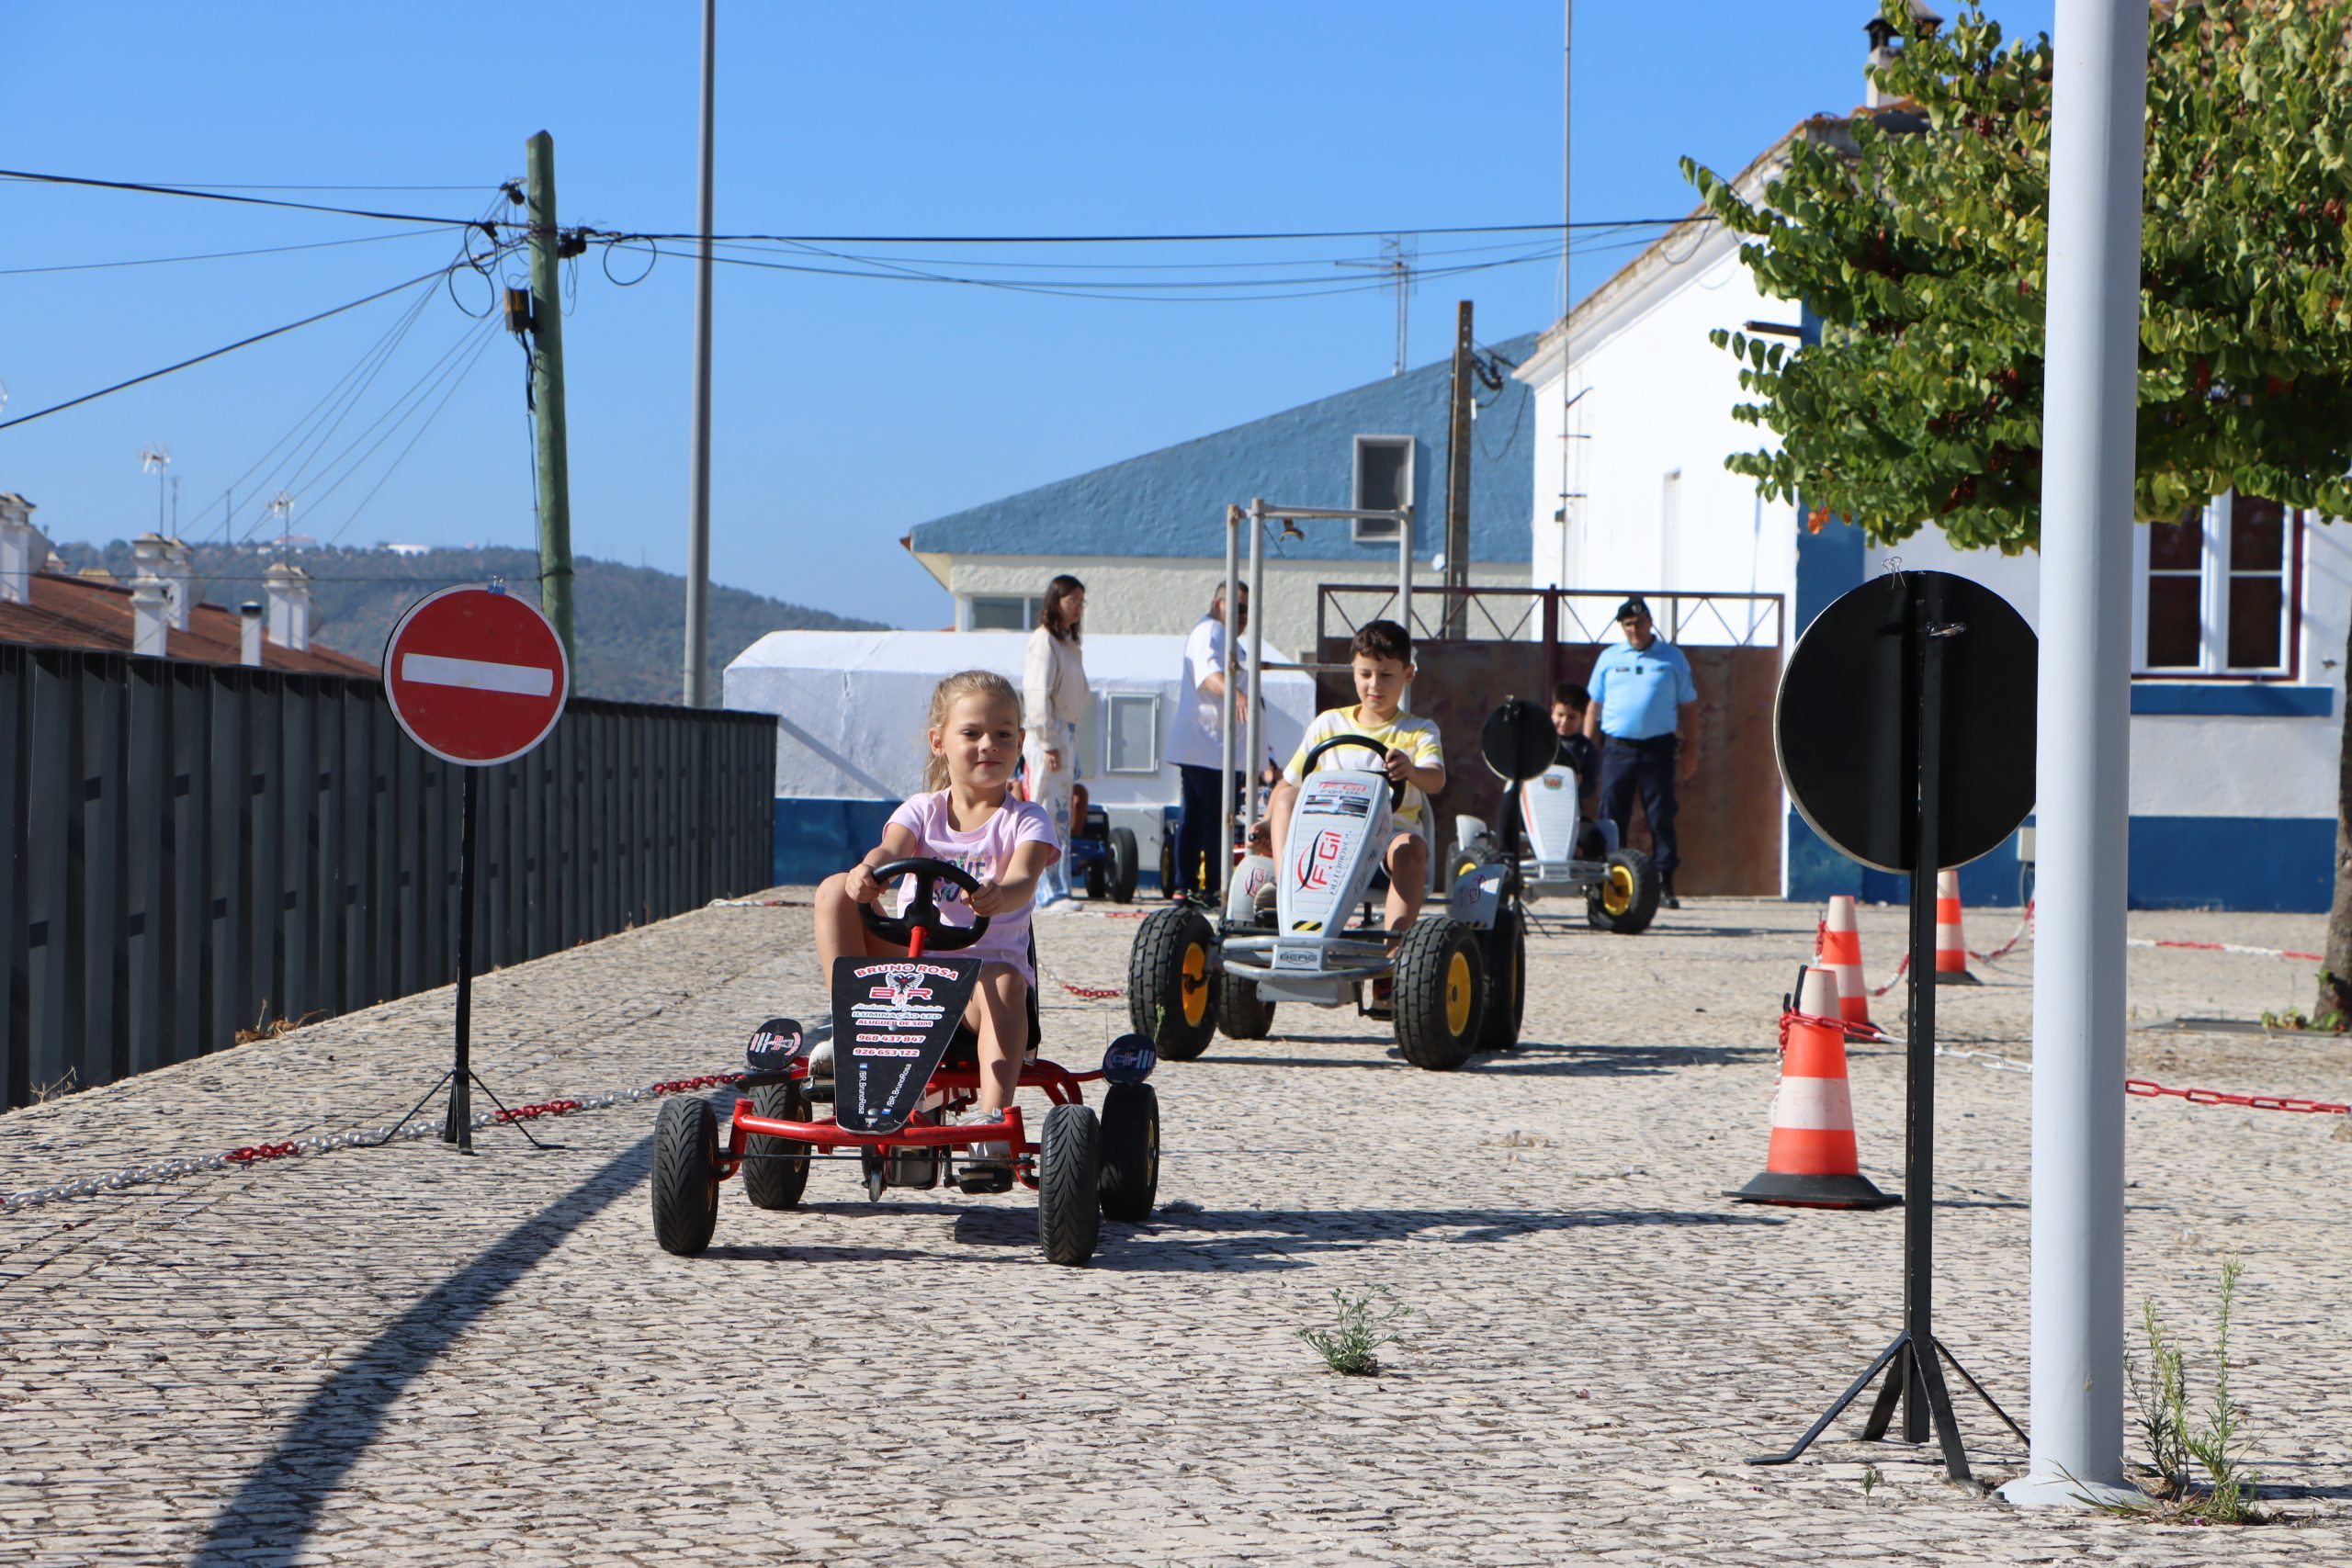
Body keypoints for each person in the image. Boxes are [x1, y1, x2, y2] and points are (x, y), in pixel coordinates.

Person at [813, 670, 1058, 1177]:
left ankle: (992, 1122)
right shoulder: (922, 812)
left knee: (1004, 979)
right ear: (939, 742)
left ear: (1020, 742)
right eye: (971, 733)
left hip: (979, 983)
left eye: (1004, 734)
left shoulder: (1026, 820)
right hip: (909, 971)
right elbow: (889, 850)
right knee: (835, 888)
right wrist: (868, 873)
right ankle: (851, 1027)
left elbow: (1024, 877)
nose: (988, 745)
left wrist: (999, 895)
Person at [1267, 618, 1445, 942]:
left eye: (1386, 675)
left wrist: (1411, 771)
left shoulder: (1419, 730)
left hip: (1387, 838)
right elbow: (1289, 782)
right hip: (1328, 837)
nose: (1374, 685)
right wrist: (1264, 823)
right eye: (1365, 674)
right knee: (1286, 799)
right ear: (1353, 671)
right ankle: (1284, 891)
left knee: (1411, 848)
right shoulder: (1329, 724)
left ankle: (1394, 954)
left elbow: (1436, 780)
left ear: (1408, 675)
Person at [1583, 597, 1699, 908]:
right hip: (1617, 748)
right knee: (1611, 816)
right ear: (1622, 627)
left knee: (1661, 815)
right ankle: (1608, 881)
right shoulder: (1609, 658)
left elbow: (1688, 707)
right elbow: (1595, 704)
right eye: (1629, 624)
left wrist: (1691, 750)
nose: (1635, 629)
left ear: (1650, 623)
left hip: (1657, 749)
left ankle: (1664, 884)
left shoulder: (1671, 658)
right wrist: (1584, 748)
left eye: (1641, 622)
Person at [1165, 582, 1249, 902]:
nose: (1243, 615)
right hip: (1207, 746)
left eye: (1247, 609)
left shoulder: (1224, 637)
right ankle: (1203, 886)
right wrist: (1238, 694)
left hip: (1213, 748)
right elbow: (1209, 675)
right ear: (1218, 604)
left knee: (1204, 818)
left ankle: (1193, 886)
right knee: (1212, 820)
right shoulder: (1211, 631)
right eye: (1237, 607)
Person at [1021, 574, 1088, 908]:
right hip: (1050, 734)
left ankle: (1059, 885)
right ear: (1055, 600)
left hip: (1067, 732)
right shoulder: (1044, 640)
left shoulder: (1068, 643)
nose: (1077, 607)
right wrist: (1047, 741)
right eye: (1071, 600)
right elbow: (1036, 692)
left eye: (1080, 601)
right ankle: (1043, 888)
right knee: (1045, 809)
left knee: (1061, 814)